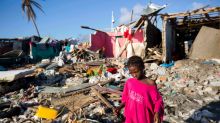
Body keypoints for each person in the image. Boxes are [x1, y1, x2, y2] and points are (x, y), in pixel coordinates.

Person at [115, 56, 164, 123]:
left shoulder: (150, 83)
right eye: (131, 73)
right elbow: (126, 99)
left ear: (142, 68)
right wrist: (119, 107)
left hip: (143, 117)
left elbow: (158, 101)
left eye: (136, 71)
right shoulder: (129, 82)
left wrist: (157, 113)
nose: (134, 75)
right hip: (130, 116)